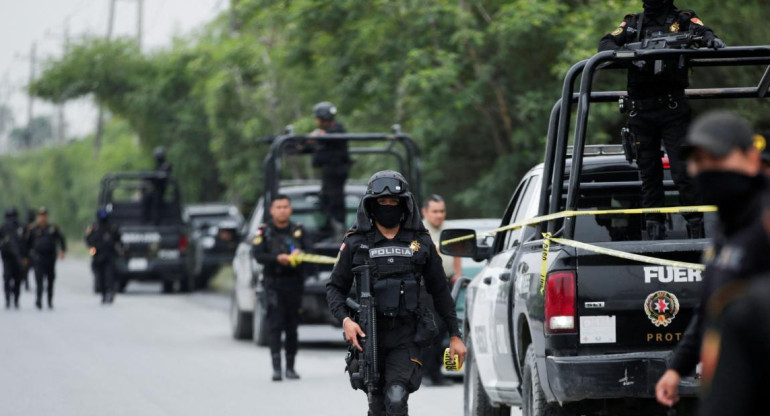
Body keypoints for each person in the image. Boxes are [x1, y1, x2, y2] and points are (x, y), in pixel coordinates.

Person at [654, 111, 770, 408]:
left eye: (716, 159)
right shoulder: (725, 228)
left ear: (751, 158)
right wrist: (677, 367)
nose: (705, 170)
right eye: (698, 161)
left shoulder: (765, 220)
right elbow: (709, 310)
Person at [326, 170, 466, 416]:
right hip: (369, 335)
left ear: (404, 205)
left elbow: (441, 291)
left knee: (397, 397)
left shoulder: (420, 243)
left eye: (394, 202)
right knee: (377, 405)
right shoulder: (357, 243)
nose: (388, 206)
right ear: (371, 205)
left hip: (407, 334)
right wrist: (346, 321)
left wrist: (455, 335)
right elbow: (335, 288)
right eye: (382, 202)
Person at [599, 0, 725, 240]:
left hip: (672, 110)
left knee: (683, 172)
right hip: (641, 112)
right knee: (649, 174)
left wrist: (710, 40)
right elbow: (605, 43)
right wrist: (629, 57)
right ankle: (655, 228)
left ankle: (695, 229)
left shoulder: (683, 19)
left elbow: (703, 31)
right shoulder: (633, 24)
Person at [251, 194, 308, 381]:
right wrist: (277, 258)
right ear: (272, 210)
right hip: (273, 286)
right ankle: (276, 368)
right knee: (274, 327)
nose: (282, 210)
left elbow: (312, 252)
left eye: (285, 206)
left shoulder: (299, 231)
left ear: (290, 209)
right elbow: (258, 255)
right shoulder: (264, 232)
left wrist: (301, 253)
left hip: (294, 286)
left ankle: (290, 367)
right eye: (278, 207)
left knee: (292, 328)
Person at [419, 194, 462, 386]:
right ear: (425, 212)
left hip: (445, 284)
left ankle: (437, 373)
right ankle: (425, 372)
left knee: (444, 328)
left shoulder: (449, 230)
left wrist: (457, 273)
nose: (439, 215)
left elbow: (457, 252)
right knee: (430, 328)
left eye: (442, 211)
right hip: (425, 286)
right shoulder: (418, 231)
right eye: (435, 211)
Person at [310, 101, 350, 237]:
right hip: (330, 171)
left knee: (335, 201)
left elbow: (327, 137)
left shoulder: (336, 130)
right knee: (325, 200)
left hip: (336, 171)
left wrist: (317, 136)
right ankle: (328, 230)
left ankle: (339, 233)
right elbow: (312, 144)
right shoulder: (326, 132)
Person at [26, 207, 67, 310]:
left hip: (50, 258)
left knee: (50, 280)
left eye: (44, 216)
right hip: (38, 258)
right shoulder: (33, 229)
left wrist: (62, 251)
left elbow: (61, 240)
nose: (42, 218)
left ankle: (49, 301)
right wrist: (26, 256)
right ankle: (39, 300)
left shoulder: (53, 228)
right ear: (38, 217)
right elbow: (27, 244)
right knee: (39, 280)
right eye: (40, 216)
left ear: (47, 217)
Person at [85, 208, 122, 304]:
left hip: (109, 255)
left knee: (109, 275)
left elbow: (118, 239)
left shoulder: (112, 227)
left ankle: (110, 292)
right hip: (98, 255)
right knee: (100, 276)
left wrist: (118, 249)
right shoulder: (94, 227)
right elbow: (88, 239)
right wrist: (92, 248)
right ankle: (103, 294)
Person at [1, 208, 26, 309]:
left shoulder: (20, 227)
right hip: (8, 258)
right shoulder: (4, 227)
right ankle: (10, 299)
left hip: (16, 257)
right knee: (10, 278)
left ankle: (14, 299)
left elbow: (25, 242)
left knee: (15, 279)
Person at [144, 146, 173, 224]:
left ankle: (157, 221)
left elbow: (160, 177)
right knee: (147, 198)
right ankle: (146, 220)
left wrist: (152, 177)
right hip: (156, 189)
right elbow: (155, 177)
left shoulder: (166, 165)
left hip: (161, 189)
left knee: (157, 202)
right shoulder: (158, 166)